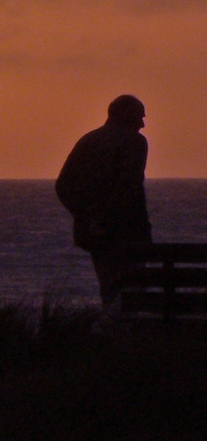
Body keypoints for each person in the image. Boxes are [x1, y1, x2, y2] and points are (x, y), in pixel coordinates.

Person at [55, 94, 151, 314]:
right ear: (127, 116)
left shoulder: (88, 140)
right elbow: (129, 185)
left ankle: (113, 334)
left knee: (110, 289)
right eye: (139, 117)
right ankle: (126, 338)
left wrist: (88, 216)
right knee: (133, 290)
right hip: (128, 231)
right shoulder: (135, 142)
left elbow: (63, 186)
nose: (142, 124)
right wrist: (106, 218)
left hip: (95, 234)